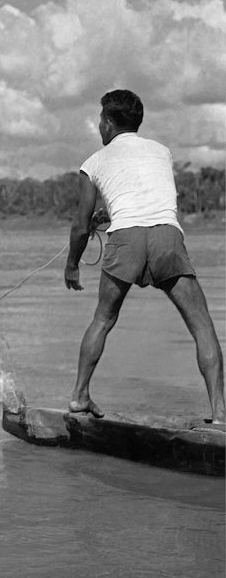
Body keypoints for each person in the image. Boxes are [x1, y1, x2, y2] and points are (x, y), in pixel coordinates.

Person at [64, 89, 225, 423]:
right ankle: (220, 415)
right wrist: (112, 214)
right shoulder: (161, 151)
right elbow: (143, 191)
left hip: (126, 239)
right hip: (168, 236)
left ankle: (80, 397)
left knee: (103, 320)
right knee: (201, 326)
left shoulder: (93, 162)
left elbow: (81, 227)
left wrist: (72, 266)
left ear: (108, 123)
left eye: (100, 120)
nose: (99, 126)